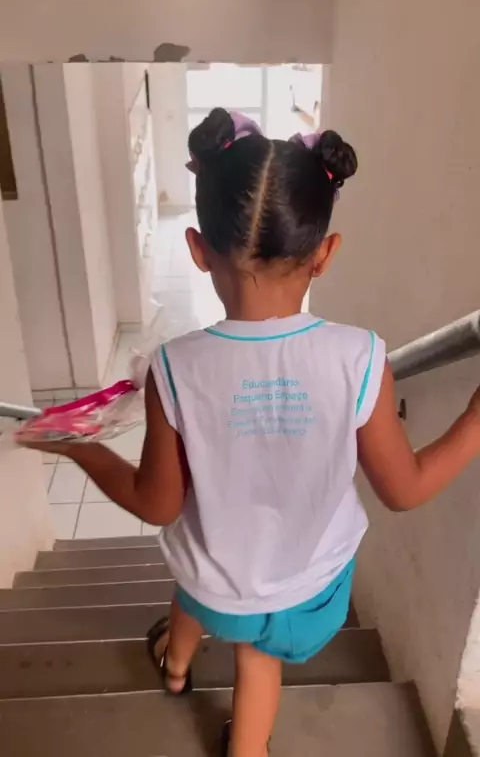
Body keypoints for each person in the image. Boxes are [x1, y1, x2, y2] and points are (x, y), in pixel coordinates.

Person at [30, 109, 480, 757]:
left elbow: (159, 505)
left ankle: (175, 666)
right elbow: (404, 489)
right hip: (310, 588)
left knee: (195, 575)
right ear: (325, 254)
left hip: (215, 585)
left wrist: (82, 448)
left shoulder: (174, 369)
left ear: (197, 249)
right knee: (257, 662)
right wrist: (473, 419)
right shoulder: (361, 359)